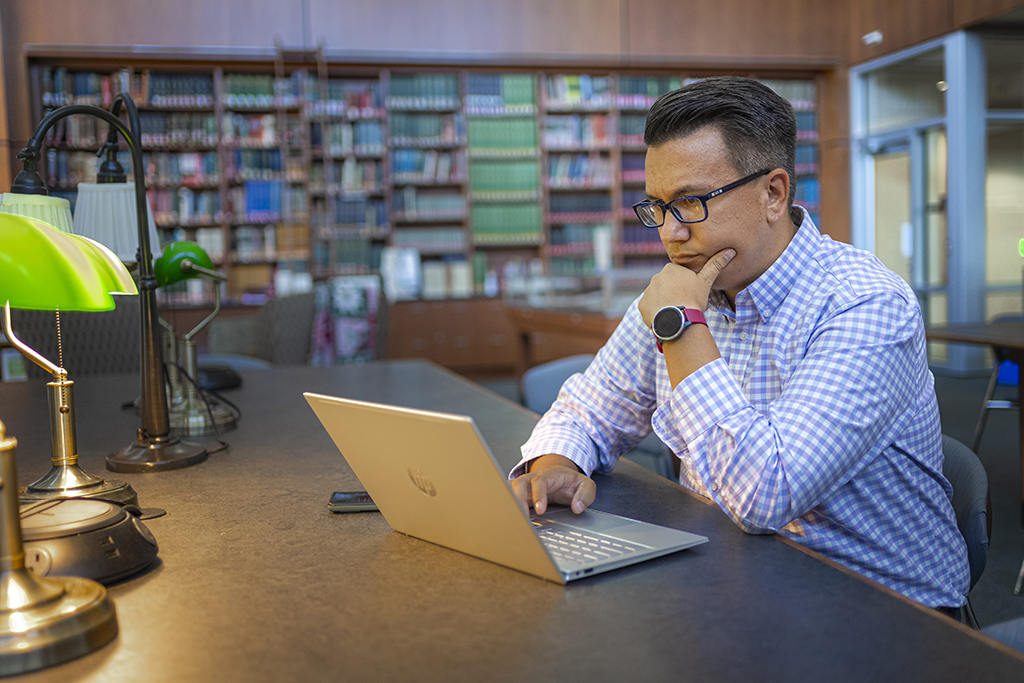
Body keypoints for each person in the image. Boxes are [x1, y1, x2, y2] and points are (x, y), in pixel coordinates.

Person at [509, 76, 968, 610]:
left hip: (882, 608)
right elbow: (588, 408)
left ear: (773, 193)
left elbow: (765, 493)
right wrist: (555, 466)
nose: (670, 234)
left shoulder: (864, 304)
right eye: (657, 206)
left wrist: (681, 326)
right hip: (733, 582)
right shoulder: (687, 284)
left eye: (691, 203)